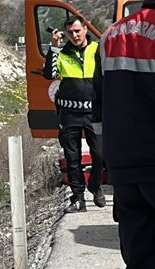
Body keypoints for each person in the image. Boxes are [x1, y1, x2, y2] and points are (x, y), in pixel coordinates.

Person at [93, 1, 155, 269]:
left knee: (142, 265)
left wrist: (109, 161)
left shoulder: (111, 37)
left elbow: (99, 113)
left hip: (128, 169)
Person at [44, 16, 105, 213]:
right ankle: (78, 197)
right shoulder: (62, 53)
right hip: (69, 113)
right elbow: (50, 74)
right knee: (73, 158)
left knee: (100, 154)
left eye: (78, 31)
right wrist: (54, 47)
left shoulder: (97, 49)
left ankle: (95, 186)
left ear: (86, 30)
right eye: (70, 32)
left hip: (94, 111)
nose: (75, 35)